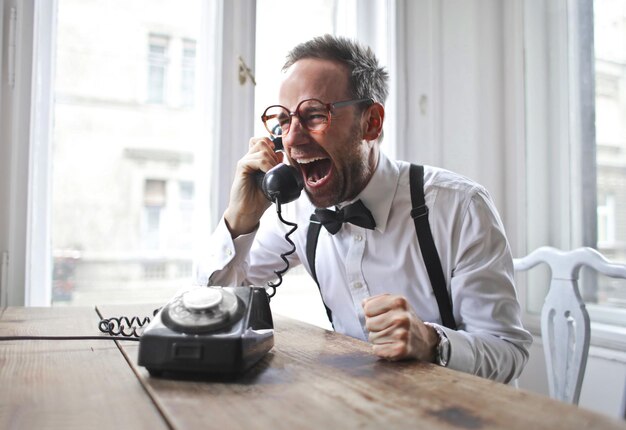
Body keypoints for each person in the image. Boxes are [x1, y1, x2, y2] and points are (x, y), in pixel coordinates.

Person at [196, 34, 532, 383]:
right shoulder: (296, 214)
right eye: (282, 122)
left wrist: (433, 343)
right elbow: (209, 312)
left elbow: (508, 350)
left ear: (371, 122)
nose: (292, 139)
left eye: (314, 115)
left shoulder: (459, 206)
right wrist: (240, 220)